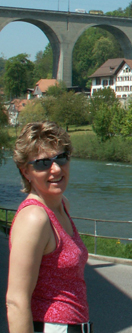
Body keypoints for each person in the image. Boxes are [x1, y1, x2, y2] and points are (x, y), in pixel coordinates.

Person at [6, 122, 90, 333]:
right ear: (26, 172)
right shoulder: (34, 218)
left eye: (61, 158)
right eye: (43, 163)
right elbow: (16, 301)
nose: (56, 169)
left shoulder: (62, 205)